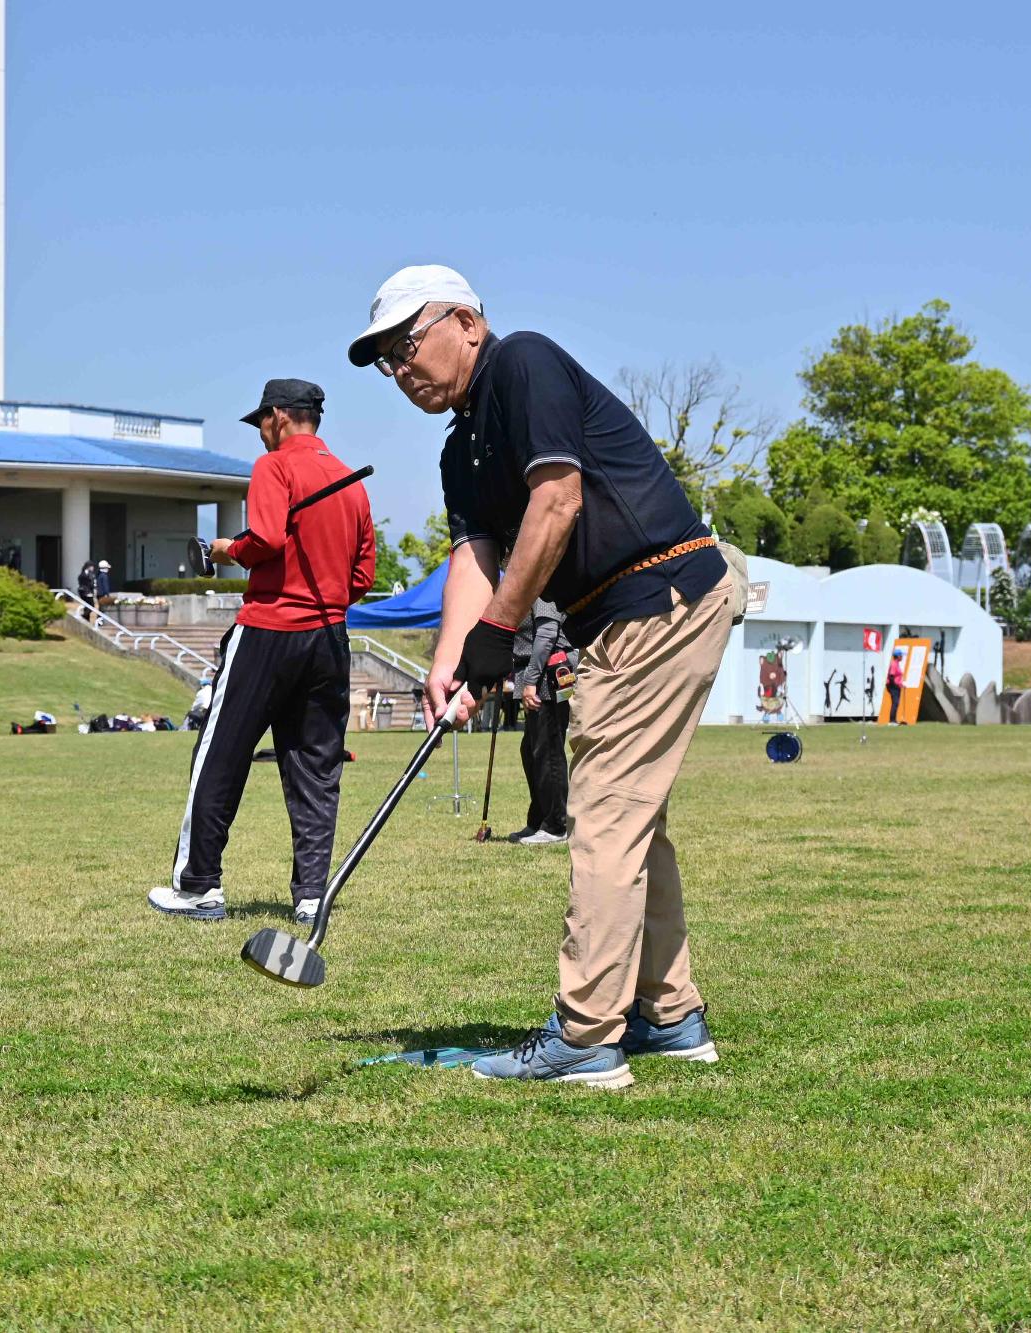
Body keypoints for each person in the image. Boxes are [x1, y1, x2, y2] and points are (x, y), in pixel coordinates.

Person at [349, 264, 734, 1088]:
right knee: (633, 819)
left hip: (660, 591)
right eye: (388, 359)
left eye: (407, 344)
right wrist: (450, 662)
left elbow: (556, 501)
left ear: (466, 322)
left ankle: (587, 1035)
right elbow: (474, 558)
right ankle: (669, 1015)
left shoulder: (523, 363)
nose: (402, 369)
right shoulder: (461, 450)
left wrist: (499, 633)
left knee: (603, 816)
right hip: (616, 617)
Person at [147, 378, 375, 924]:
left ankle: (199, 884)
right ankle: (312, 895)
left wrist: (230, 549)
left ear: (277, 416)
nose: (261, 436)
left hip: (269, 628)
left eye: (261, 425)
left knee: (220, 755)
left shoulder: (274, 467)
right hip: (329, 637)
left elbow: (268, 539)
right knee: (316, 768)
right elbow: (362, 574)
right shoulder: (351, 480)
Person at [509, 599, 572, 845]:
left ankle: (557, 825)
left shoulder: (543, 589)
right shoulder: (528, 585)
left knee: (548, 750)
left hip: (550, 675)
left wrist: (531, 681)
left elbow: (547, 633)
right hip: (533, 674)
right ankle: (538, 820)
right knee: (532, 750)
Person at [885, 647, 906, 724]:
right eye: (901, 655)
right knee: (895, 702)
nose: (902, 657)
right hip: (892, 686)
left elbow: (897, 676)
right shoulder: (894, 664)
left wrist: (901, 684)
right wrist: (896, 685)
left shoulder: (897, 663)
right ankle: (892, 720)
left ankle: (894, 720)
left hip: (896, 686)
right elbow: (891, 676)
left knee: (896, 703)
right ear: (898, 656)